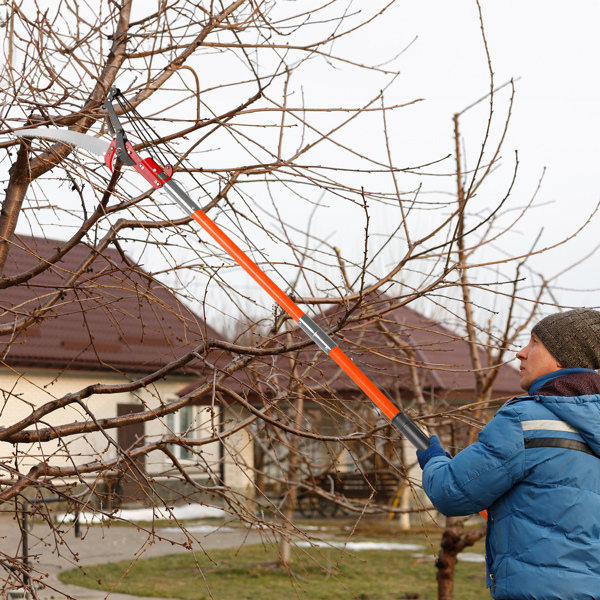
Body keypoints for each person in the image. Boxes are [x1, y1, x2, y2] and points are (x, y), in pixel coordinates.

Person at [416, 308, 600, 600]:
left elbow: (451, 491)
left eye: (535, 342)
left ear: (562, 357)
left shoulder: (525, 421)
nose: (521, 353)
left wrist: (433, 457)